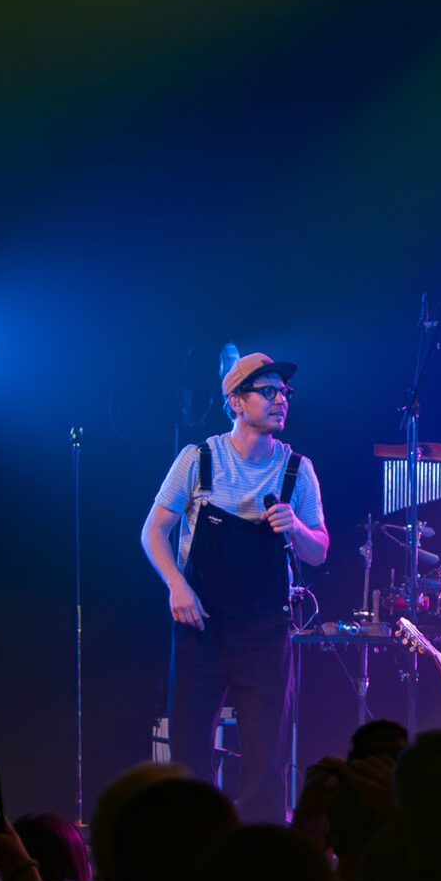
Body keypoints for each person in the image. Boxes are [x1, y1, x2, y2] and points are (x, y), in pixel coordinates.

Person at [142, 351, 328, 820]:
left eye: (284, 392)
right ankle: (194, 845)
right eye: (268, 391)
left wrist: (296, 528)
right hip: (202, 624)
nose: (281, 400)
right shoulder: (199, 460)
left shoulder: (297, 469)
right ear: (236, 402)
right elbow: (153, 532)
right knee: (188, 751)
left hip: (265, 629)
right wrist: (176, 585)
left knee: (267, 757)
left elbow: (319, 549)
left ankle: (261, 849)